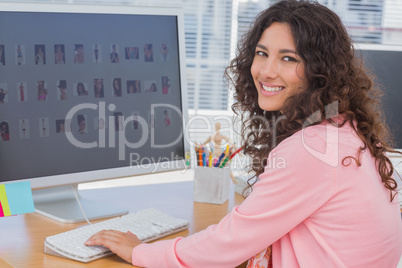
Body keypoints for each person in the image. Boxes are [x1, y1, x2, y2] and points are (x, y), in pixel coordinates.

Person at [85, 1, 402, 267]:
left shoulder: (313, 147)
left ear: (320, 71)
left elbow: (226, 245)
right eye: (262, 53)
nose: (266, 70)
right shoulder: (343, 129)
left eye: (288, 58)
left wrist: (139, 251)